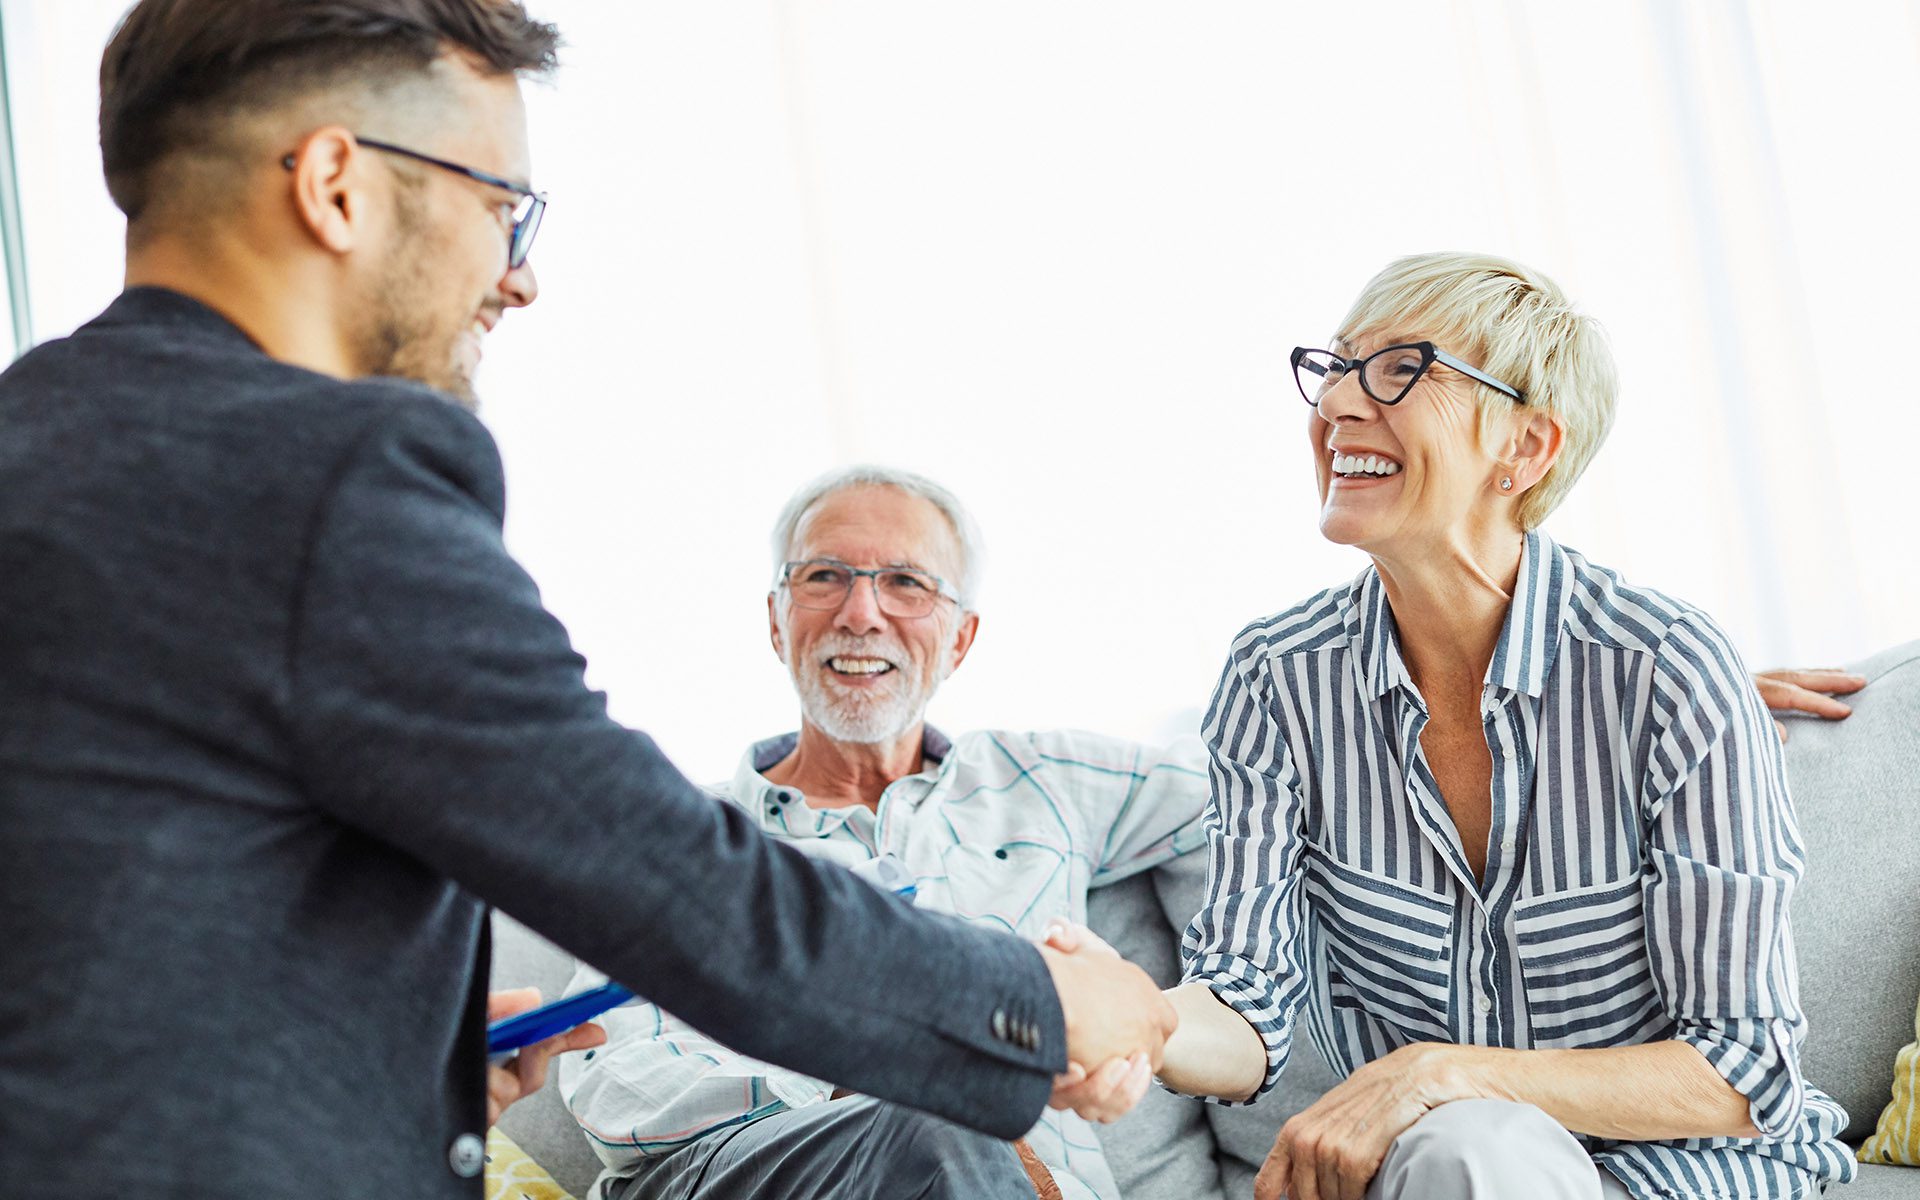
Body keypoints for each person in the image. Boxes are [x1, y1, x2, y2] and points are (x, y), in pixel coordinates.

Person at [0, 4, 1175, 1197]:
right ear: (336, 185)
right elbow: (668, 882)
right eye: (499, 204)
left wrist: (397, 1067)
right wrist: (1031, 1003)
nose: (520, 276)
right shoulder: (323, 470)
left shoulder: (37, 446)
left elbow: (115, 929)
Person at [1077, 253, 1861, 1200]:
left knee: (1471, 1144)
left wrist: (1436, 1072)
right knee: (1471, 1152)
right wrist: (1145, 1021)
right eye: (1336, 368)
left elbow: (1743, 1070)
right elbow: (1245, 1003)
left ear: (1525, 449)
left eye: (1401, 369)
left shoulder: (1664, 671)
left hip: (1692, 1177)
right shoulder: (1275, 680)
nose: (1338, 407)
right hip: (1459, 1173)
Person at [553, 466, 1208, 1200]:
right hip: (747, 1173)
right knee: (942, 1122)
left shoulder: (1042, 780)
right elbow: (611, 1074)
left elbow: (1257, 792)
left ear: (961, 638)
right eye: (825, 576)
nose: (860, 612)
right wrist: (866, 1087)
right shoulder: (679, 835)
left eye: (905, 583)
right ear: (776, 619)